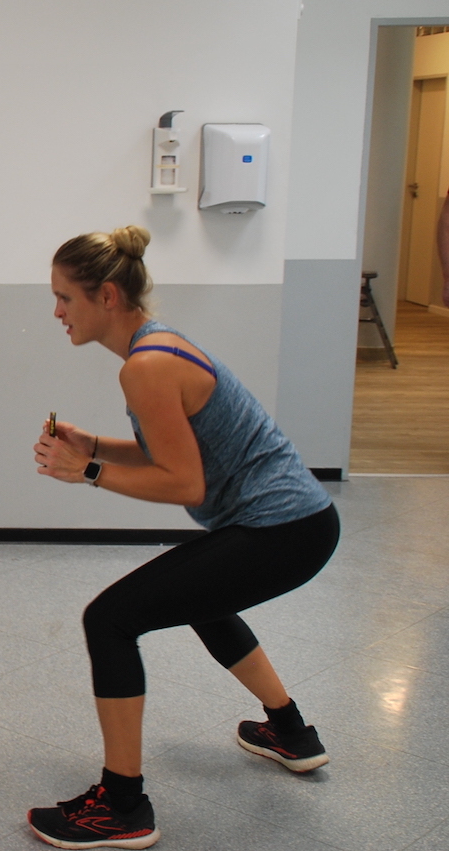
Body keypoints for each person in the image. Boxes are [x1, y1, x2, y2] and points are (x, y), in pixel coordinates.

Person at [27, 226, 339, 850]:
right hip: (300, 523)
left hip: (283, 528)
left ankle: (122, 807)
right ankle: (290, 733)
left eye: (65, 297)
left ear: (107, 295)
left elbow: (183, 481)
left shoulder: (146, 367)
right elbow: (170, 449)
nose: (57, 311)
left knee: (110, 619)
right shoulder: (157, 346)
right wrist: (95, 445)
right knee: (200, 595)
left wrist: (88, 471)